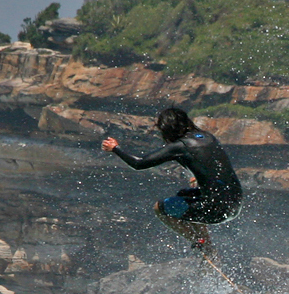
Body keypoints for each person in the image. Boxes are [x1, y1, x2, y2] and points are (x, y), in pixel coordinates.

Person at [102, 107, 243, 255]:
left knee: (160, 208)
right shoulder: (207, 137)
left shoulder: (180, 146)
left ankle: (202, 243)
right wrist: (199, 179)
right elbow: (210, 163)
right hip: (234, 203)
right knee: (184, 195)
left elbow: (139, 163)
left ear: (168, 129)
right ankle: (204, 240)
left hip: (217, 210)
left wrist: (115, 148)